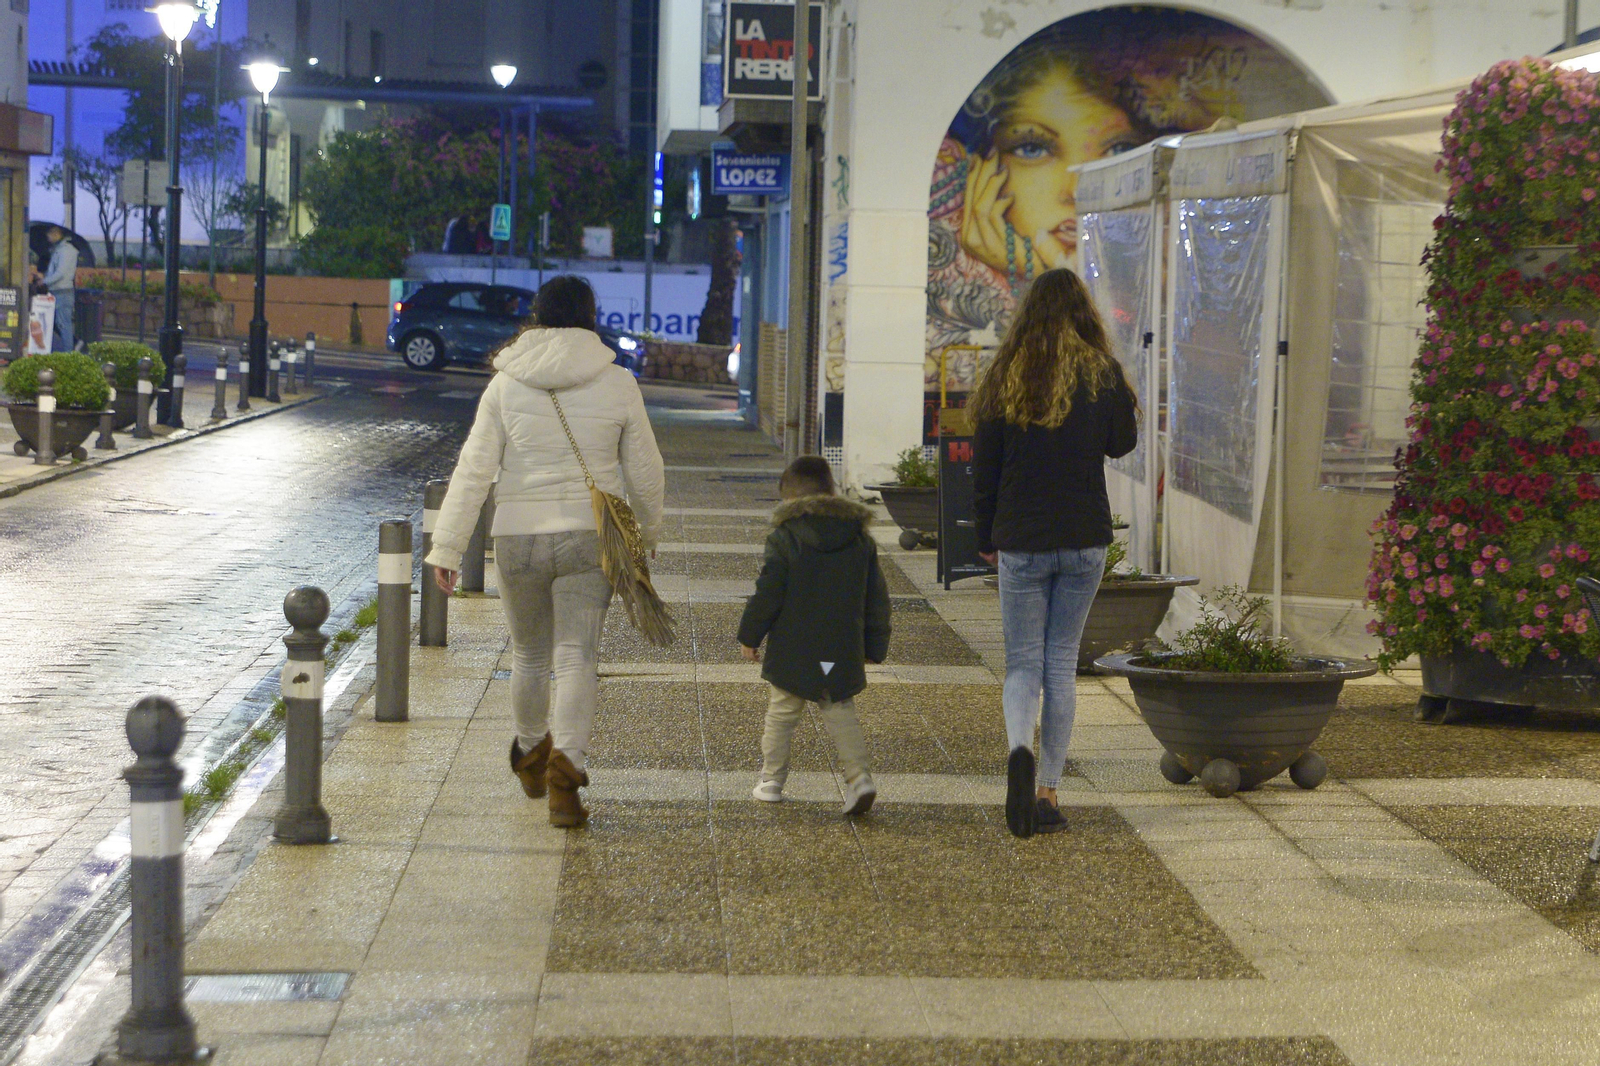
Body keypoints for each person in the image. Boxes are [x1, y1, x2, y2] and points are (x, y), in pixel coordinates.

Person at [424, 275, 665, 828]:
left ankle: (533, 755)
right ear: (590, 315)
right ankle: (566, 777)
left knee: (529, 656)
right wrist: (646, 537)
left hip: (517, 536)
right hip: (589, 536)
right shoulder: (618, 382)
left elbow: (474, 470)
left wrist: (448, 548)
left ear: (536, 315)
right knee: (577, 656)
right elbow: (646, 473)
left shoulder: (506, 384)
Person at [970, 268, 1138, 839]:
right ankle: (1046, 790)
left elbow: (984, 468)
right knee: (1061, 663)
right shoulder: (1101, 372)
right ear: (1082, 314)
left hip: (1021, 537)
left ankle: (1019, 749)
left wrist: (984, 537)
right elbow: (1123, 443)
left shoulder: (1005, 375)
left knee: (1023, 663)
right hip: (1083, 536)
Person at [738, 456, 891, 816]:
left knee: (781, 713)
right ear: (833, 491)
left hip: (794, 648)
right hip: (839, 646)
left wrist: (750, 635)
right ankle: (859, 779)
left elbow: (769, 591)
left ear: (786, 498)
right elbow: (876, 598)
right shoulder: (859, 538)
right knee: (840, 711)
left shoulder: (785, 537)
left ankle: (771, 781)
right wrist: (875, 645)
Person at [41, 227, 78, 352]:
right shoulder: (58, 250)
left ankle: (68, 353)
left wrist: (44, 281)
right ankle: (69, 349)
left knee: (63, 324)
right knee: (59, 324)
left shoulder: (66, 251)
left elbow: (60, 273)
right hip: (58, 291)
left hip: (63, 291)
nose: (48, 239)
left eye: (49, 235)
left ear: (56, 234)